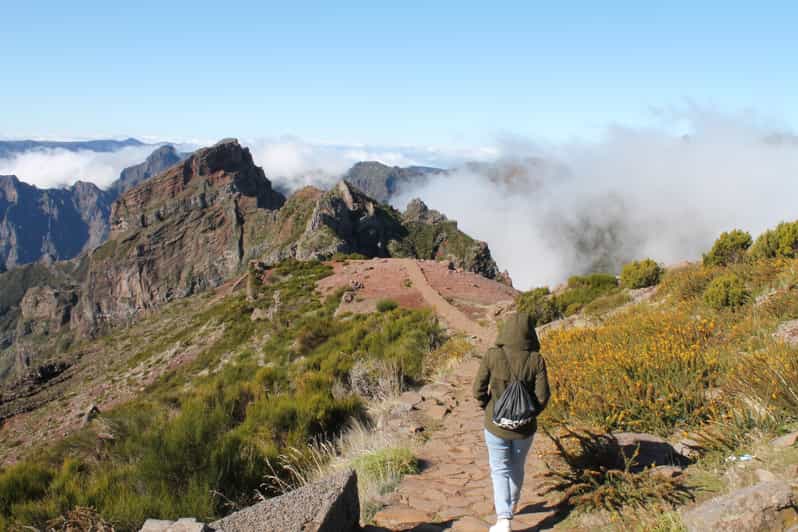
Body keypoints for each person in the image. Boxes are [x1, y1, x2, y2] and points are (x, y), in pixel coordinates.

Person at [473, 312, 550, 532]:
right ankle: (513, 504)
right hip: (525, 429)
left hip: (495, 425)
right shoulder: (536, 360)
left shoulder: (492, 355)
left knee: (499, 469)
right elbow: (543, 396)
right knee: (517, 466)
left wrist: (488, 407)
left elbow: (477, 390)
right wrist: (528, 414)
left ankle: (504, 519)